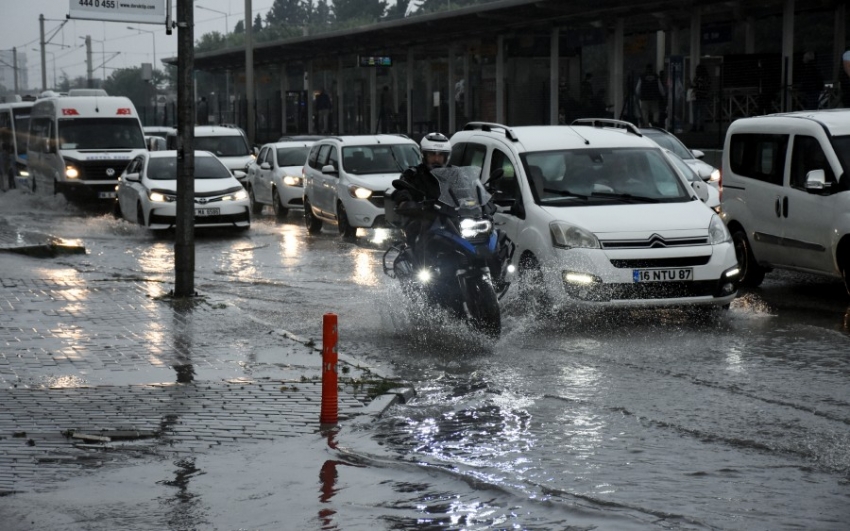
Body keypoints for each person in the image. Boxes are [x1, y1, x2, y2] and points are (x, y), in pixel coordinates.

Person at [391, 132, 452, 251]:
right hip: (423, 217)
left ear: (446, 157)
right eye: (432, 155)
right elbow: (402, 191)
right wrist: (405, 202)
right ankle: (419, 264)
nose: (436, 159)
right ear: (424, 155)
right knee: (423, 227)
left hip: (450, 218)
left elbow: (468, 189)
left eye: (440, 156)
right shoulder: (413, 175)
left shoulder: (453, 174)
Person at [690, 63, 711, 132]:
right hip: (696, 97)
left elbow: (705, 87)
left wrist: (697, 86)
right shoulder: (696, 78)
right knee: (695, 112)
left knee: (701, 113)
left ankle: (701, 126)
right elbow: (694, 85)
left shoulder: (705, 78)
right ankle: (695, 126)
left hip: (702, 97)